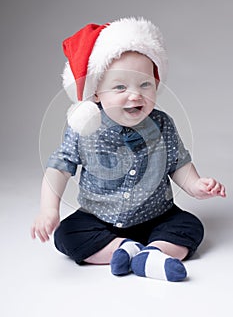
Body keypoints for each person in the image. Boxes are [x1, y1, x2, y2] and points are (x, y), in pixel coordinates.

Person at [31, 17, 226, 282]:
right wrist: (48, 210)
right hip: (99, 219)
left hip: (157, 215)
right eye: (120, 87)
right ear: (96, 93)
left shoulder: (162, 123)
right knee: (67, 235)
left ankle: (153, 254)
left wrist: (196, 186)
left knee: (190, 227)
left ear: (156, 86)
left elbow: (178, 163)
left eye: (144, 84)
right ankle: (124, 249)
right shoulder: (84, 127)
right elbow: (59, 168)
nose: (134, 95)